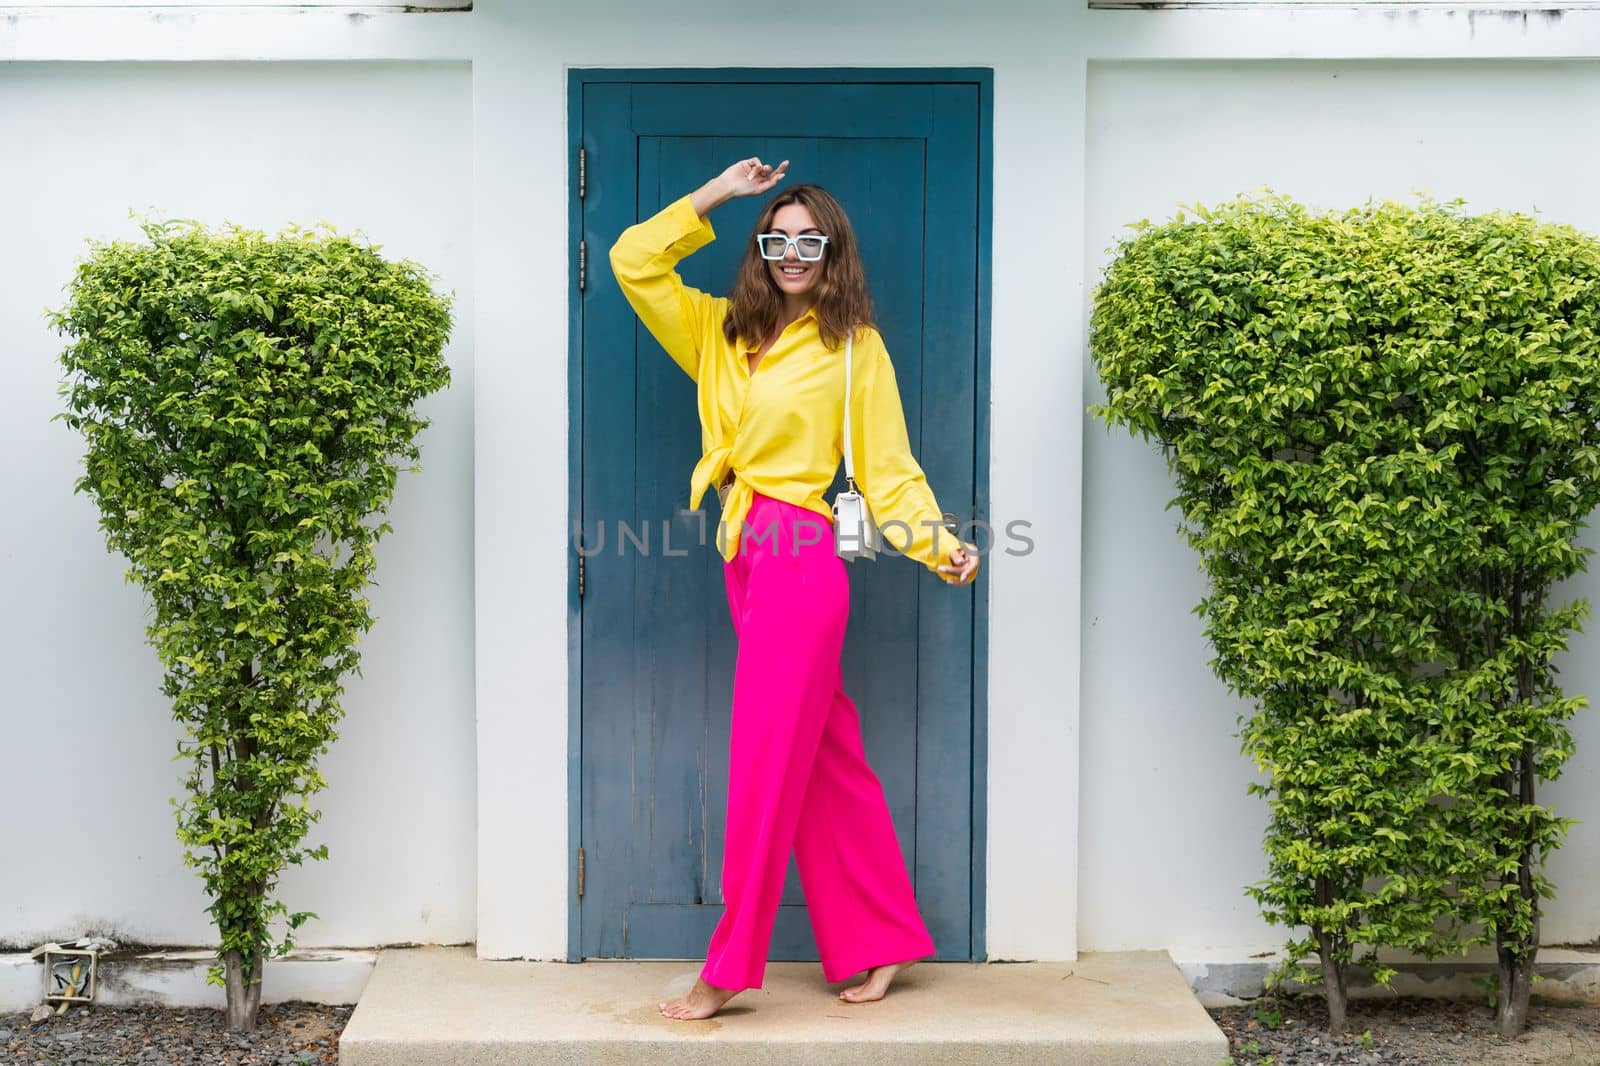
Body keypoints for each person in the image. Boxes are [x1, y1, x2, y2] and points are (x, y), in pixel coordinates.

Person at [609, 156, 980, 1022]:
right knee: (822, 758)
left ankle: (730, 966)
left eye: (810, 241)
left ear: (833, 252)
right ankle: (881, 938)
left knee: (767, 762)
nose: (792, 253)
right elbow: (633, 260)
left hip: (799, 550)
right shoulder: (719, 332)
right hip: (745, 550)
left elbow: (887, 472)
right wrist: (714, 195)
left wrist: (940, 547)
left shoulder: (855, 350)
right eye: (777, 238)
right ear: (762, 247)